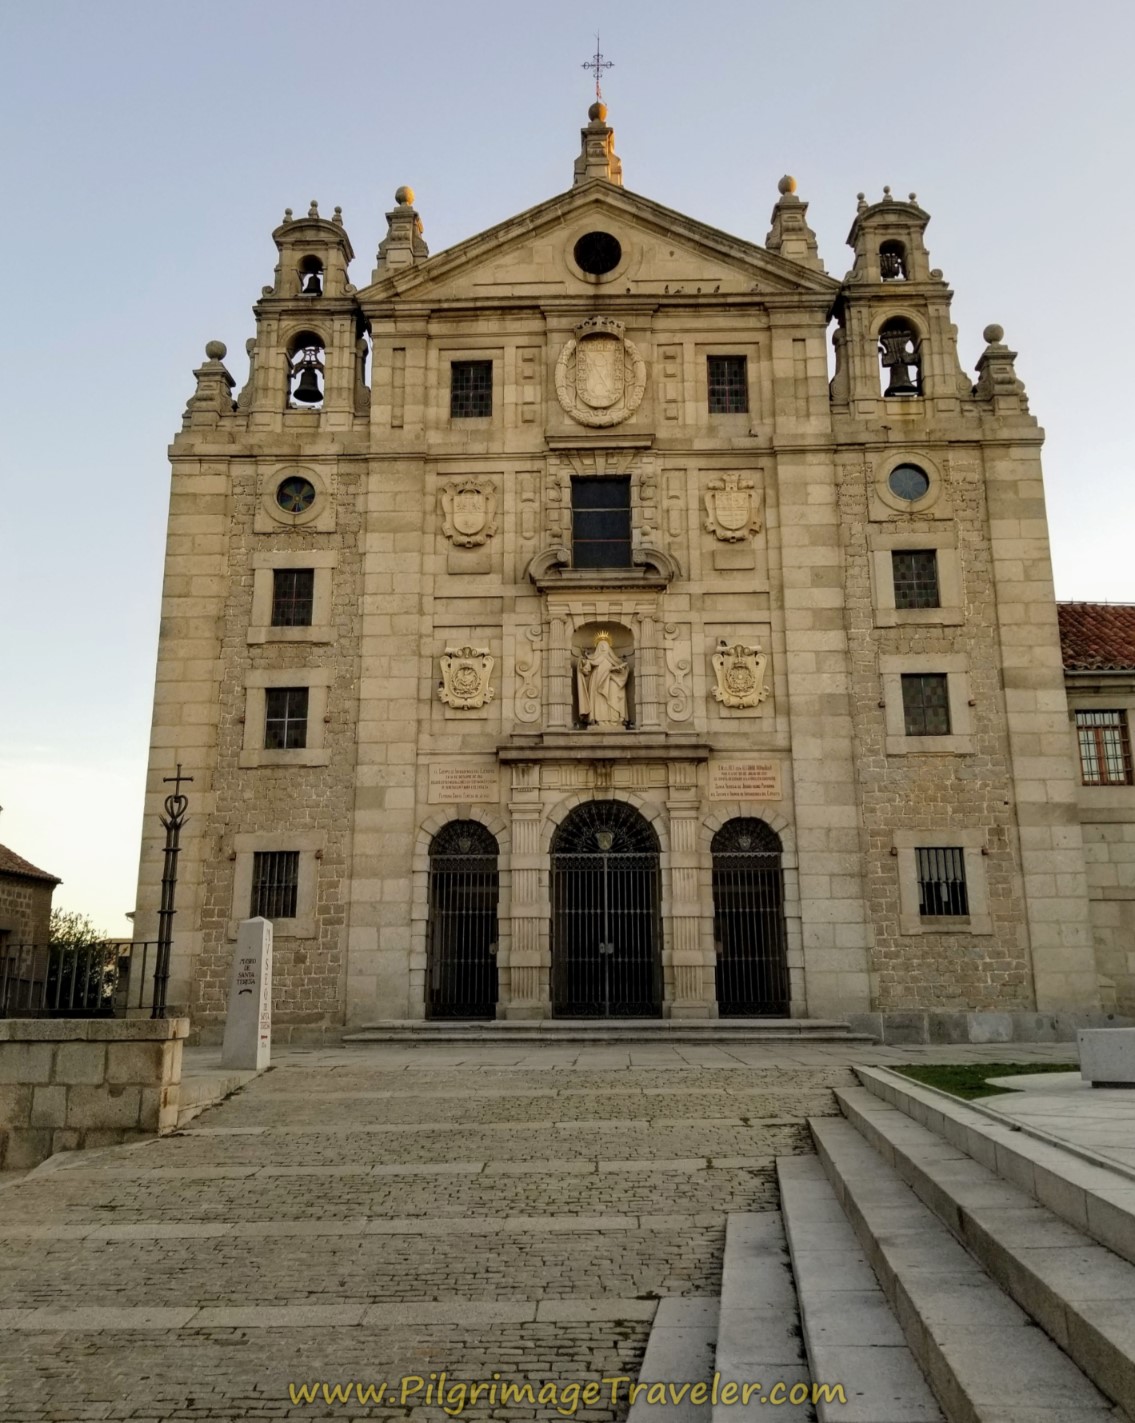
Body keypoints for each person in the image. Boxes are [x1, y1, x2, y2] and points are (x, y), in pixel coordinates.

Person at [577, 634, 630, 726]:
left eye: (605, 645)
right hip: (597, 682)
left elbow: (622, 669)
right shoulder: (593, 658)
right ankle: (600, 720)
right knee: (598, 701)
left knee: (612, 699)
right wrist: (584, 660)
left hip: (610, 682)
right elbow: (586, 670)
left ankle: (613, 720)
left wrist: (621, 668)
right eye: (601, 646)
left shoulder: (614, 660)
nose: (603, 648)